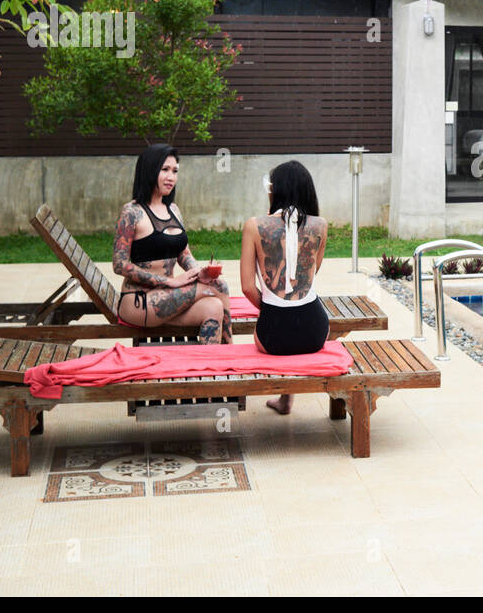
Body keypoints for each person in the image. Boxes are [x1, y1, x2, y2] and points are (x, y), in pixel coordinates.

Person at [112, 144, 231, 344]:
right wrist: (169, 282)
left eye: (175, 171)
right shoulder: (131, 212)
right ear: (150, 170)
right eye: (165, 170)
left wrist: (198, 272)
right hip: (139, 301)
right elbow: (119, 264)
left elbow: (183, 253)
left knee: (214, 307)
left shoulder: (173, 209)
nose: (171, 177)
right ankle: (231, 354)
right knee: (220, 286)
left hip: (169, 298)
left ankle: (211, 368)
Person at [240, 160, 328, 415]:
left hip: (272, 335)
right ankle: (286, 400)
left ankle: (284, 400)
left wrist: (271, 307)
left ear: (275, 190)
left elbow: (247, 287)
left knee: (281, 322)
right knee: (304, 311)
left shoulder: (254, 225)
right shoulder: (320, 225)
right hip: (314, 331)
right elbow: (310, 276)